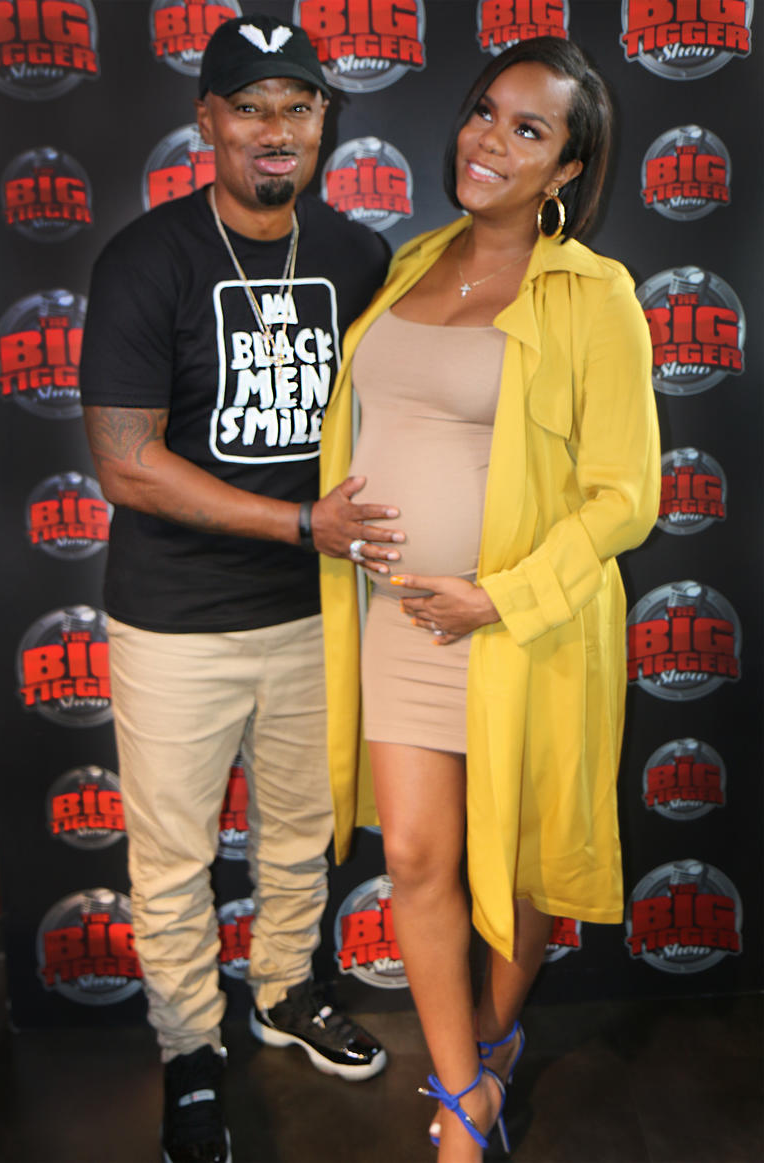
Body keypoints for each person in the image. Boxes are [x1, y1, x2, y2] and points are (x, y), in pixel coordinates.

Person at [320, 36, 661, 1162]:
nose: (489, 141)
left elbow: (627, 496)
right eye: (483, 112)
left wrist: (499, 595)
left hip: (526, 624)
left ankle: (494, 1037)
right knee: (418, 857)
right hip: (401, 620)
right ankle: (465, 1092)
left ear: (566, 168)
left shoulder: (594, 295)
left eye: (528, 130)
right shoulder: (412, 260)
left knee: (515, 859)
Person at [79, 14, 405, 1163]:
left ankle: (282, 990)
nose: (277, 129)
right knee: (172, 856)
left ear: (325, 121)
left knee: (302, 830)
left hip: (314, 613)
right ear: (207, 120)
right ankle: (189, 1048)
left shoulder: (358, 256)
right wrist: (301, 524)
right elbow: (126, 462)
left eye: (297, 106)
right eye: (251, 106)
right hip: (176, 619)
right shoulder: (147, 258)